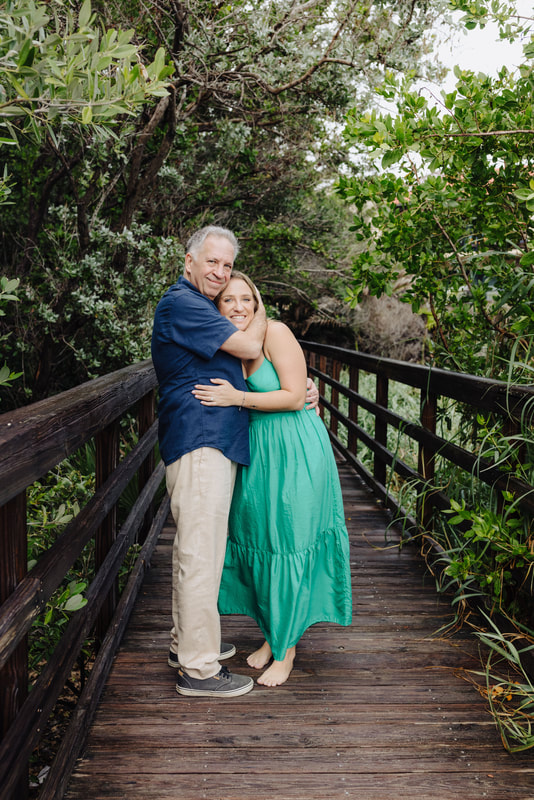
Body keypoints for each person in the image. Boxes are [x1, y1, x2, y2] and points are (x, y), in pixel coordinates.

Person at [151, 228, 318, 698]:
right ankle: (199, 669)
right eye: (213, 263)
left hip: (215, 442)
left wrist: (301, 389)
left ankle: (186, 644)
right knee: (200, 556)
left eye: (227, 266)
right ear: (189, 261)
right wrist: (262, 315)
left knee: (200, 551)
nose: (220, 273)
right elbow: (247, 348)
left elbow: (261, 369)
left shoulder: (201, 306)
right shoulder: (182, 303)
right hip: (200, 441)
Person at [192, 272, 353, 687]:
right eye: (230, 300)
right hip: (256, 454)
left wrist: (238, 397)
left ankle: (286, 650)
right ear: (217, 306)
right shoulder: (227, 343)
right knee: (264, 539)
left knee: (289, 541)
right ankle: (272, 635)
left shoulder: (275, 332)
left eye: (247, 298)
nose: (240, 306)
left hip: (294, 450)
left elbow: (297, 395)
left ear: (258, 302)